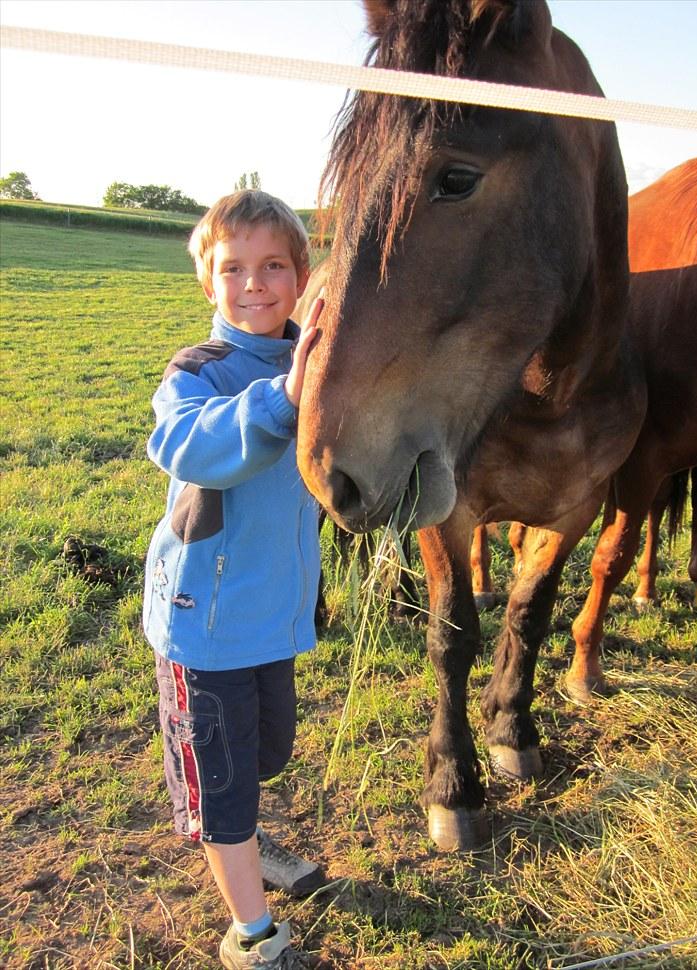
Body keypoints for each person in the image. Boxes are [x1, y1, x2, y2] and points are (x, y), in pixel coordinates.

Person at [143, 189, 325, 969]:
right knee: (221, 784)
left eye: (274, 265)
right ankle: (251, 933)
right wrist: (285, 397)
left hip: (276, 616)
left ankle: (245, 829)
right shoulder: (198, 372)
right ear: (208, 283)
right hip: (204, 624)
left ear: (302, 275)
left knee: (266, 753)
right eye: (233, 269)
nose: (254, 283)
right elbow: (190, 445)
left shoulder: (319, 363)